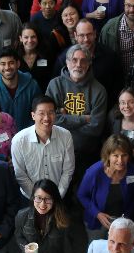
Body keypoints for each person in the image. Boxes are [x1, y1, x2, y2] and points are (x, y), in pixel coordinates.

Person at [46, 44, 108, 180]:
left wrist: (64, 117)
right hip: (58, 150)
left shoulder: (99, 90)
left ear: (89, 64)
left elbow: (95, 128)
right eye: (74, 60)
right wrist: (83, 119)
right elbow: (49, 120)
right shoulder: (54, 85)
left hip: (86, 153)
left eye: (83, 60)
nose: (78, 64)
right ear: (67, 63)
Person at [78, 135, 134, 241]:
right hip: (97, 223)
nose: (120, 160)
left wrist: (127, 217)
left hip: (122, 223)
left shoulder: (133, 171)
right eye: (115, 155)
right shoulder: (94, 172)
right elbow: (82, 195)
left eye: (124, 155)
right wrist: (97, 214)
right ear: (108, 155)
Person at [11, 95, 75, 198]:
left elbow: (68, 170)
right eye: (41, 113)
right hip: (29, 197)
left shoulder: (65, 136)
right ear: (33, 115)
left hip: (58, 196)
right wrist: (38, 198)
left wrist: (58, 196)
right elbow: (20, 174)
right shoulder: (19, 140)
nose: (46, 118)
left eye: (51, 113)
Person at [55, 19, 123, 99]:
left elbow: (118, 85)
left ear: (95, 34)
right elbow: (57, 86)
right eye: (81, 35)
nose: (86, 39)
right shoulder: (64, 58)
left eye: (89, 34)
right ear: (75, 36)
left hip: (104, 105)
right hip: (71, 107)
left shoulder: (110, 56)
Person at [0, 47, 42, 129]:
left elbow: (39, 112)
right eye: (3, 64)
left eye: (11, 63)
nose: (7, 67)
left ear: (18, 64)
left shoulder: (32, 85)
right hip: (1, 137)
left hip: (28, 135)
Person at [17, 23, 53, 91]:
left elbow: (51, 77)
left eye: (33, 37)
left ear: (37, 38)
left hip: (42, 95)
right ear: (20, 38)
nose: (30, 40)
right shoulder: (15, 56)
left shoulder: (46, 54)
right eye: (26, 37)